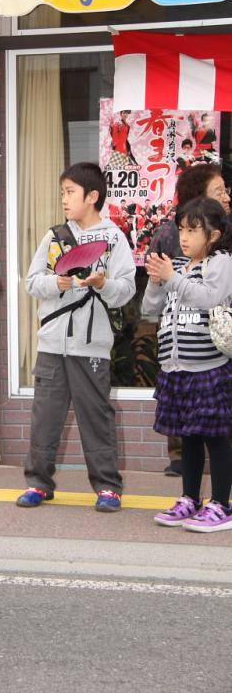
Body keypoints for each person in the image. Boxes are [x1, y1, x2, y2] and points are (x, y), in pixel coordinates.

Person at [16, 162, 136, 513]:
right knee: (45, 417)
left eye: (70, 192)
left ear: (92, 196)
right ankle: (38, 483)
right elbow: (31, 282)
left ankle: (107, 487)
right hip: (52, 344)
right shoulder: (53, 236)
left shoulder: (114, 239)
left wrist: (104, 284)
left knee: (95, 415)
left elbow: (127, 289)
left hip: (92, 346)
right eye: (62, 193)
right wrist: (57, 283)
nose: (64, 200)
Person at [144, 197, 232, 532]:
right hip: (176, 367)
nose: (184, 236)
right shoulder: (177, 266)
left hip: (209, 366)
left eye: (193, 230)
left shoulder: (222, 262)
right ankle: (190, 499)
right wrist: (156, 280)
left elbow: (210, 298)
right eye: (182, 228)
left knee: (216, 438)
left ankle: (222, 504)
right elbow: (149, 310)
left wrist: (173, 278)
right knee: (189, 437)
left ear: (213, 235)